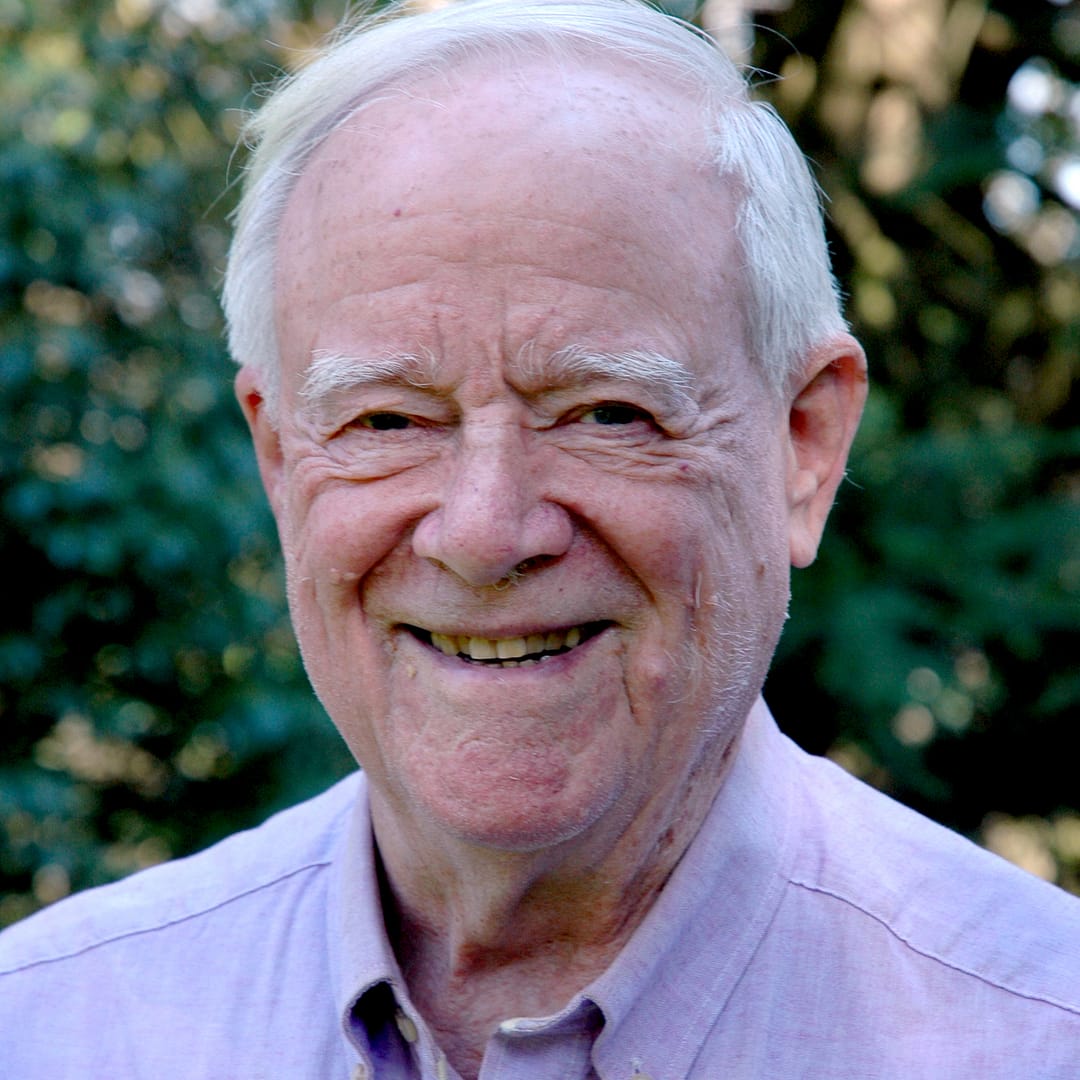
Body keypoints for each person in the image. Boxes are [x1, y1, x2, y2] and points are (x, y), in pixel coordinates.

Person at [2, 1, 1078, 1076]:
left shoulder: (1034, 1035)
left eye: (607, 413)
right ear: (280, 458)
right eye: (387, 420)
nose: (484, 530)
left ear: (805, 443)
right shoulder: (52, 1026)